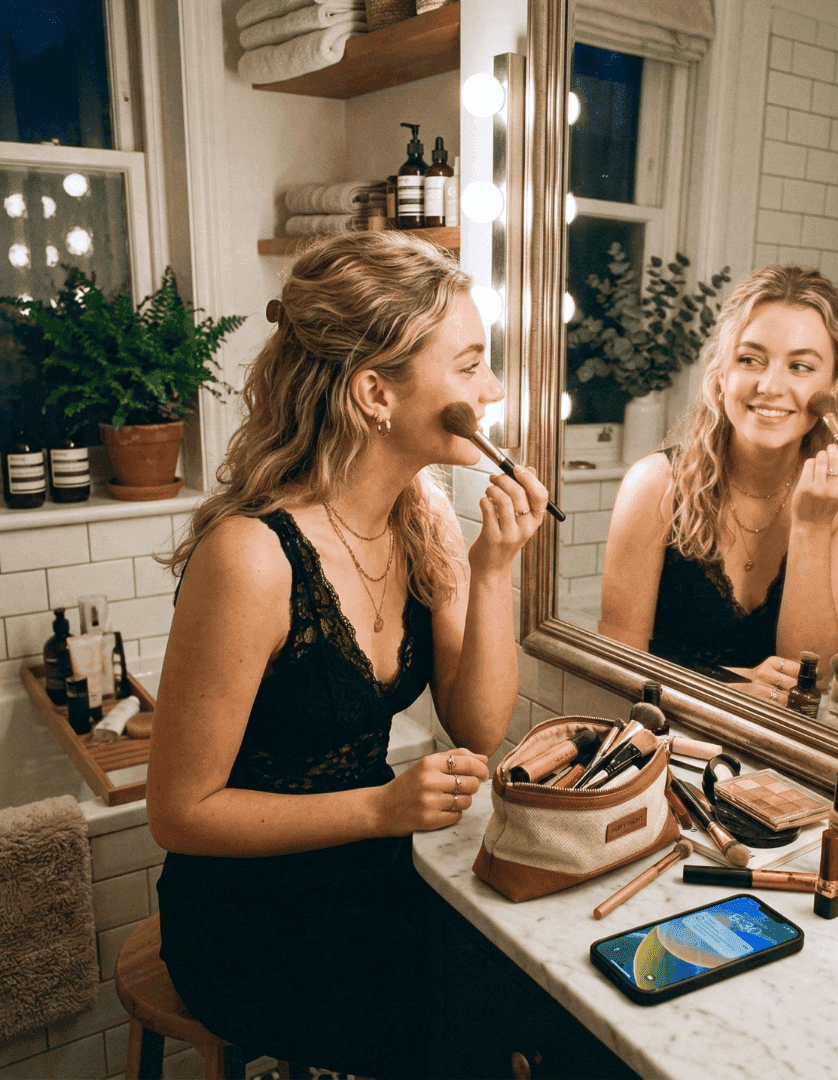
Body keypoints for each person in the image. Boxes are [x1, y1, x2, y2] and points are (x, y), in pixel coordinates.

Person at [145, 231, 549, 1077]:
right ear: (376, 393)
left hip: (374, 874)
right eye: (471, 365)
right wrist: (380, 809)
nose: (495, 389)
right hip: (250, 917)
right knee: (458, 1028)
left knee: (537, 998)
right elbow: (180, 814)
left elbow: (478, 726)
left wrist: (495, 567)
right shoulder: (251, 557)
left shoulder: (423, 516)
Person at [599, 264, 838, 700]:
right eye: (750, 360)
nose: (770, 385)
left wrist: (811, 524)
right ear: (720, 372)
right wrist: (731, 685)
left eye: (801, 366)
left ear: (835, 382)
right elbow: (616, 666)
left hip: (775, 753)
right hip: (661, 744)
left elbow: (817, 676)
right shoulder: (654, 485)